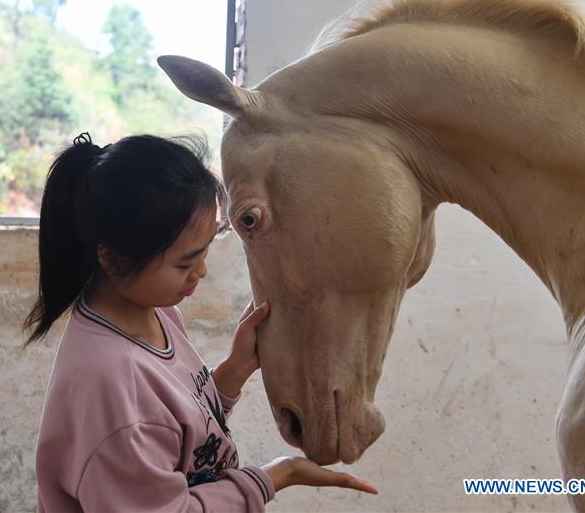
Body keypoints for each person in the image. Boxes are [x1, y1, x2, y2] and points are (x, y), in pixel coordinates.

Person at [25, 132, 377, 511]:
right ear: (111, 260)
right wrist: (276, 476)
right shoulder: (110, 384)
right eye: (185, 262)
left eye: (206, 250)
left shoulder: (154, 313)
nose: (202, 272)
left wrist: (234, 369)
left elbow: (175, 428)